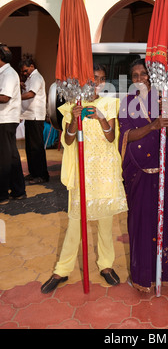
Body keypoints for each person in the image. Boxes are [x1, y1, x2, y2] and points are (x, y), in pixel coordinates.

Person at [41, 65, 128, 293]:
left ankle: (106, 266)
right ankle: (62, 270)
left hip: (105, 171)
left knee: (106, 222)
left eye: (101, 80)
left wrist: (100, 118)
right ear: (85, 83)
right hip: (82, 172)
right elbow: (68, 142)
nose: (97, 84)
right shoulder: (71, 106)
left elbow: (111, 138)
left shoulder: (109, 104)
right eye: (93, 80)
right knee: (75, 223)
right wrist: (73, 119)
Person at [118, 58, 168, 292]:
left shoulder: (163, 98)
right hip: (138, 171)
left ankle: (164, 272)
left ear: (151, 76)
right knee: (140, 220)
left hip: (165, 167)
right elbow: (126, 136)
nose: (140, 79)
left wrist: (167, 111)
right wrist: (153, 126)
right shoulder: (126, 103)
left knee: (165, 217)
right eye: (135, 75)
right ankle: (141, 276)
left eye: (144, 74)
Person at [0, 44, 26, 203]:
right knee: (12, 156)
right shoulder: (4, 73)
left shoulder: (8, 74)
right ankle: (17, 190)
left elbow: (5, 97)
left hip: (6, 119)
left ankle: (2, 194)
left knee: (4, 158)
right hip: (4, 119)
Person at [20, 55, 49, 184]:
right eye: (23, 72)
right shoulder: (30, 78)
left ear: (32, 66)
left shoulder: (36, 77)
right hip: (29, 115)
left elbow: (31, 94)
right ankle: (33, 173)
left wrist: (15, 97)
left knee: (36, 147)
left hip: (36, 116)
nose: (25, 73)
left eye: (26, 70)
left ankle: (42, 175)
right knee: (30, 147)